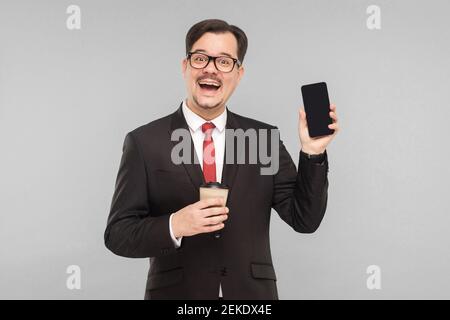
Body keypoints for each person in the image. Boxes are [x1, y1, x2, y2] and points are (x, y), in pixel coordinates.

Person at [104, 19, 340, 300]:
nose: (211, 69)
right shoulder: (144, 142)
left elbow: (305, 220)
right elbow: (118, 234)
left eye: (224, 61)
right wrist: (175, 225)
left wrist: (313, 152)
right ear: (185, 66)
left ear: (239, 73)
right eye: (201, 58)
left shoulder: (262, 140)